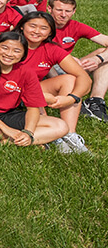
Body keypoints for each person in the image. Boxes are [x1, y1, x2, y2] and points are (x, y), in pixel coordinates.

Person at [0, 32, 68, 148]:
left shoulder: (27, 72)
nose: (9, 54)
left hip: (9, 114)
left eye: (17, 51)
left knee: (61, 126)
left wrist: (29, 132)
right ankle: (26, 139)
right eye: (4, 48)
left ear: (23, 54)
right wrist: (5, 128)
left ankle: (5, 142)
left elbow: (33, 108)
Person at [14, 12, 92, 153]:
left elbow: (84, 77)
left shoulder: (51, 49)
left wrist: (71, 98)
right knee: (34, 92)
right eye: (32, 26)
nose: (37, 31)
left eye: (44, 28)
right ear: (21, 27)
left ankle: (69, 135)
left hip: (35, 90)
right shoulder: (10, 45)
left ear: (50, 32)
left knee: (71, 79)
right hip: (9, 90)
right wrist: (39, 96)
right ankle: (53, 134)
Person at [45, 0, 108, 121]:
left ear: (74, 11)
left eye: (68, 11)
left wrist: (98, 59)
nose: (63, 14)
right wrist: (65, 57)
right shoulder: (40, 25)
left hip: (69, 65)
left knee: (103, 53)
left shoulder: (76, 26)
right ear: (49, 9)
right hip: (46, 67)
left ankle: (94, 101)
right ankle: (63, 88)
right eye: (59, 10)